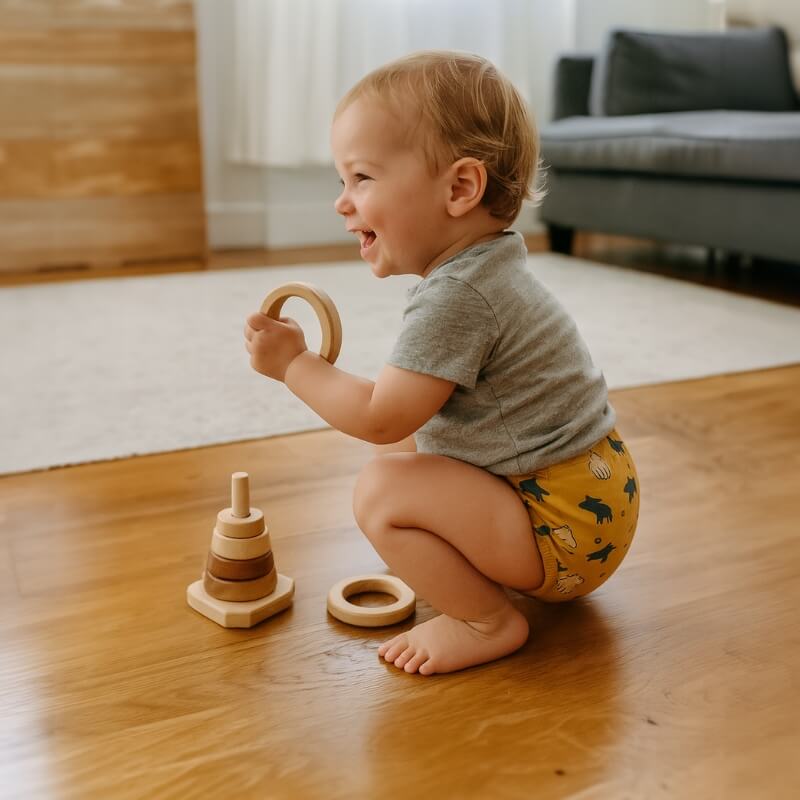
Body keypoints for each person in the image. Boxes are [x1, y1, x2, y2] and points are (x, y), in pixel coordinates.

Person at [244, 51, 639, 676]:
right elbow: (401, 418)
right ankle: (455, 570)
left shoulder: (460, 296)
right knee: (403, 445)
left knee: (380, 489)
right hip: (586, 494)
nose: (342, 204)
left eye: (362, 179)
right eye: (341, 182)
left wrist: (294, 365)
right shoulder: (487, 266)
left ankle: (486, 620)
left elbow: (376, 416)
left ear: (460, 188)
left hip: (562, 527)